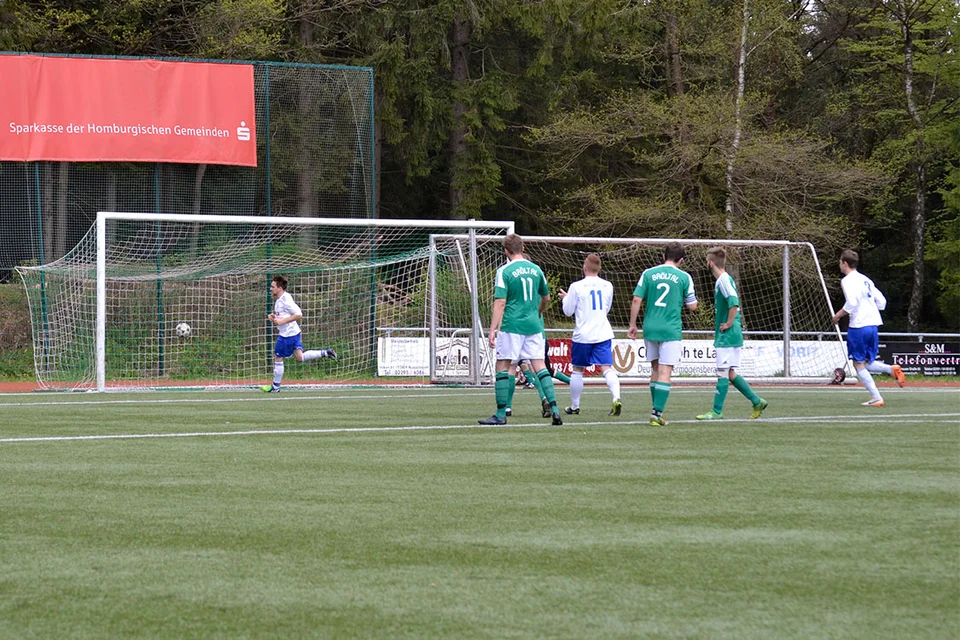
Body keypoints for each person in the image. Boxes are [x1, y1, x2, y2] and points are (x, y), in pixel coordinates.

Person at [480, 234, 562, 426]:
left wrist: (492, 329)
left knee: (503, 365)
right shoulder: (537, 269)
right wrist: (539, 311)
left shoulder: (505, 271)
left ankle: (501, 414)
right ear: (523, 248)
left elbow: (500, 301)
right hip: (533, 325)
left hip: (512, 325)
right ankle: (556, 409)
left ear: (506, 251)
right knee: (540, 365)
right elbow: (547, 298)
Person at [627, 242, 697, 427]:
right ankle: (656, 414)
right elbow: (692, 306)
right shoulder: (684, 277)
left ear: (663, 255)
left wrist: (633, 324)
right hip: (670, 329)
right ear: (681, 260)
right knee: (666, 372)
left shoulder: (648, 273)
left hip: (650, 327)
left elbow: (636, 299)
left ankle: (655, 410)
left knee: (656, 370)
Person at [695, 247, 768, 420]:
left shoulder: (723, 281)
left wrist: (727, 323)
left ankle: (717, 411)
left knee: (722, 373)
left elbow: (734, 302)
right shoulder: (725, 279)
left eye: (707, 261)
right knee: (730, 373)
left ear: (711, 262)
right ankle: (757, 401)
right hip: (733, 333)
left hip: (727, 334)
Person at [831, 249, 906, 406]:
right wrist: (869, 310)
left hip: (859, 326)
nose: (839, 264)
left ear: (844, 263)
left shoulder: (847, 280)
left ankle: (877, 397)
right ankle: (891, 369)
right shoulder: (865, 279)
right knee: (865, 362)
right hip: (873, 325)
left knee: (858, 364)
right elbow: (882, 302)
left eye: (840, 261)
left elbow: (852, 303)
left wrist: (837, 316)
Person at [558, 253, 622, 416]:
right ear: (599, 269)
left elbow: (567, 311)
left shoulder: (576, 286)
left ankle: (575, 406)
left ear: (585, 268)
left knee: (578, 369)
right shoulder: (608, 285)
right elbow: (606, 309)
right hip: (603, 332)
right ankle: (616, 398)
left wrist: (566, 299)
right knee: (607, 368)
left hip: (583, 335)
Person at [261, 275, 337, 393]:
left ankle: (275, 387)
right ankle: (326, 353)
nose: (270, 289)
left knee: (278, 358)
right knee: (299, 357)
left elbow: (298, 314)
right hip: (294, 333)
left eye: (272, 287)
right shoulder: (280, 299)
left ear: (280, 288)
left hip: (287, 335)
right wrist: (274, 317)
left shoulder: (286, 299)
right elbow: (284, 315)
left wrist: (281, 321)